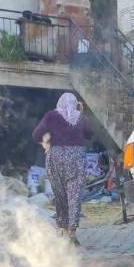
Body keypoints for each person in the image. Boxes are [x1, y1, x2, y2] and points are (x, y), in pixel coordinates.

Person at [32, 92, 93, 244]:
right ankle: (72, 232)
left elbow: (36, 135)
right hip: (76, 159)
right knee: (74, 196)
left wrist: (46, 140)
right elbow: (90, 135)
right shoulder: (81, 118)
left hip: (56, 158)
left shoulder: (51, 116)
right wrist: (81, 113)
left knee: (60, 195)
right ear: (75, 103)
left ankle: (63, 229)